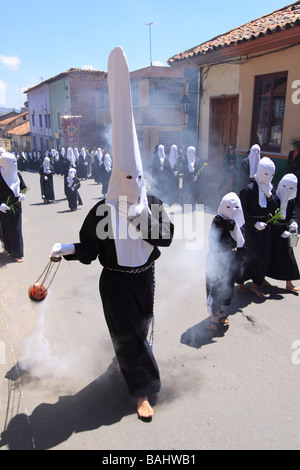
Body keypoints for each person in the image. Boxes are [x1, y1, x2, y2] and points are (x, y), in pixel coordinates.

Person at [50, 47, 174, 421]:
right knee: (132, 336)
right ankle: (144, 392)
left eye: (137, 177)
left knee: (141, 330)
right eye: (127, 178)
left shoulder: (151, 202)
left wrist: (138, 217)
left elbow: (165, 238)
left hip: (145, 279)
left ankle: (127, 365)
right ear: (115, 178)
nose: (133, 183)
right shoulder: (103, 209)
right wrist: (65, 249)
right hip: (116, 283)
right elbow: (89, 248)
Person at [206, 192, 245, 331]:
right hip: (216, 259)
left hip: (229, 259)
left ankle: (221, 311)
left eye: (235, 207)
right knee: (215, 288)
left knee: (226, 288)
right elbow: (214, 240)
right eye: (228, 207)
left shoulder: (236, 222)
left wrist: (236, 228)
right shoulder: (218, 220)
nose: (232, 211)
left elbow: (241, 240)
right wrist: (226, 227)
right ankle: (214, 315)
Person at [238, 157, 277, 297]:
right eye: (266, 174)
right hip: (250, 229)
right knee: (251, 257)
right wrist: (254, 223)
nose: (269, 178)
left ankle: (256, 284)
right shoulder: (248, 190)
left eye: (272, 175)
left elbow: (274, 210)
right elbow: (242, 211)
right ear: (260, 172)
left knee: (264, 256)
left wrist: (269, 196)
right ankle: (241, 281)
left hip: (265, 228)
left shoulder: (270, 189)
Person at [267, 174, 300, 291]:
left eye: (291, 188)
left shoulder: (290, 200)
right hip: (273, 231)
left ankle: (289, 283)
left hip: (285, 231)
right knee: (268, 256)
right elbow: (269, 217)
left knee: (288, 256)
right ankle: (261, 279)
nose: (287, 190)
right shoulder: (274, 198)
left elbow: (291, 214)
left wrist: (293, 222)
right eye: (284, 186)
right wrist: (280, 231)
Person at [0, 148, 27, 262]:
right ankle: (7, 247)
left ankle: (17, 253)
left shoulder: (17, 175)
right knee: (5, 228)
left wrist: (22, 195)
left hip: (16, 206)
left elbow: (24, 188)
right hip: (3, 208)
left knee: (15, 229)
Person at [286, 140, 300, 204]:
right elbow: (289, 162)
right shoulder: (291, 153)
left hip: (297, 172)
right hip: (290, 171)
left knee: (296, 187)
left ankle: (295, 200)